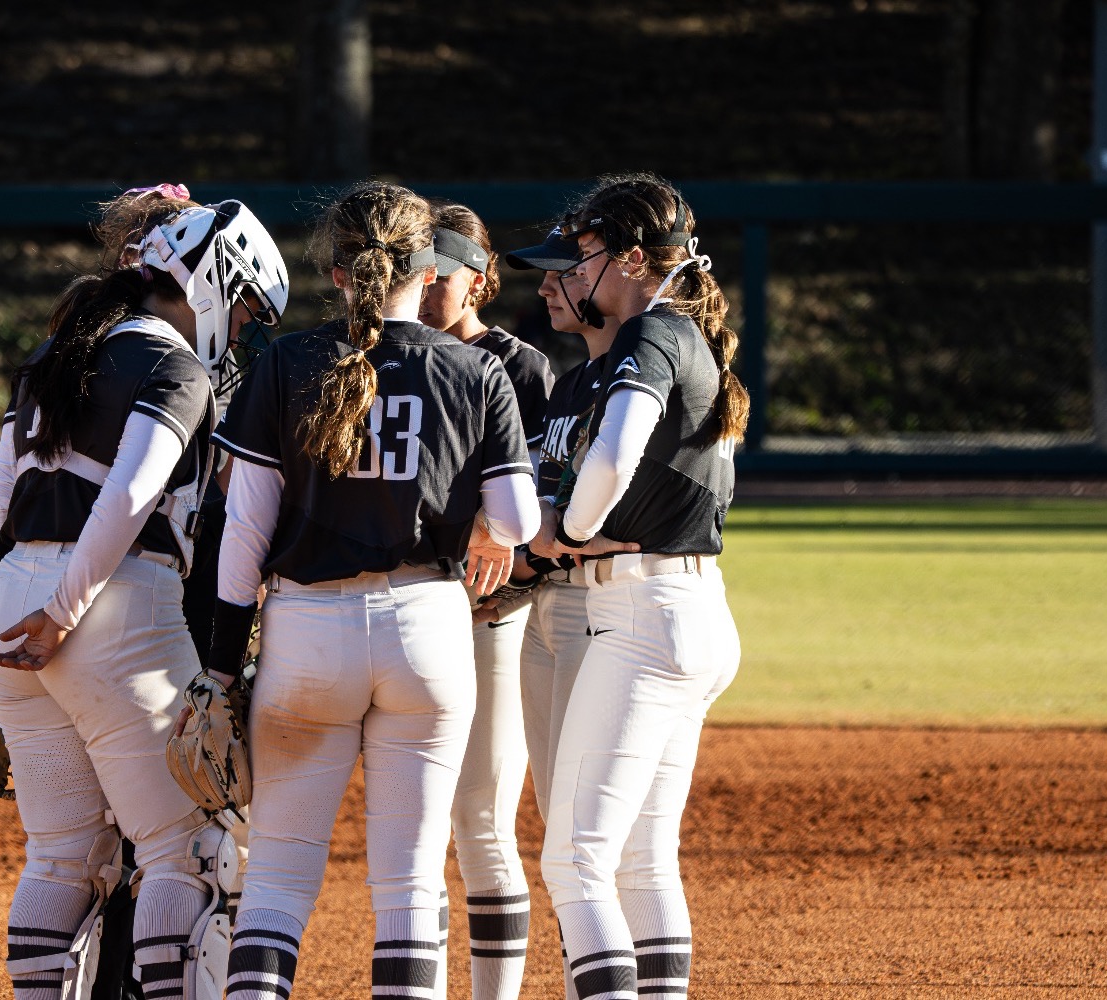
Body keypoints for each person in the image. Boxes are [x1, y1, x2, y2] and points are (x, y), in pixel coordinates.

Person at [203, 181, 540, 1000]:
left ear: (335, 270)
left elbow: (242, 534)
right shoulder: (474, 368)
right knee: (410, 888)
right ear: (427, 271)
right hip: (426, 629)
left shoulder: (284, 362)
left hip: (306, 631)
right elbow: (520, 519)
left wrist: (218, 667)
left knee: (278, 882)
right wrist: (489, 532)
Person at [0, 194, 289, 1000]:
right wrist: (63, 612)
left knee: (60, 856)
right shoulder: (174, 366)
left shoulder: (60, 351)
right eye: (249, 301)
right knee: (191, 851)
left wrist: (16, 621)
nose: (247, 323)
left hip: (14, 597)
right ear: (214, 277)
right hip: (114, 606)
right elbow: (129, 494)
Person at [526, 174, 746, 1000]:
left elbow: (616, 454)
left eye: (582, 256)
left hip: (642, 614)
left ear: (628, 259)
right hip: (687, 606)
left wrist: (568, 533)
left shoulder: (656, 330)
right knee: (644, 861)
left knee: (576, 861)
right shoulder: (685, 336)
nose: (569, 275)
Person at [417, 201, 554, 1000]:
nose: (429, 282)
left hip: (491, 616)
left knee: (480, 819)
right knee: (418, 832)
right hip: (407, 613)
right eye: (419, 268)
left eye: (443, 269)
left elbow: (532, 506)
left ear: (480, 278)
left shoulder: (519, 367)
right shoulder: (389, 358)